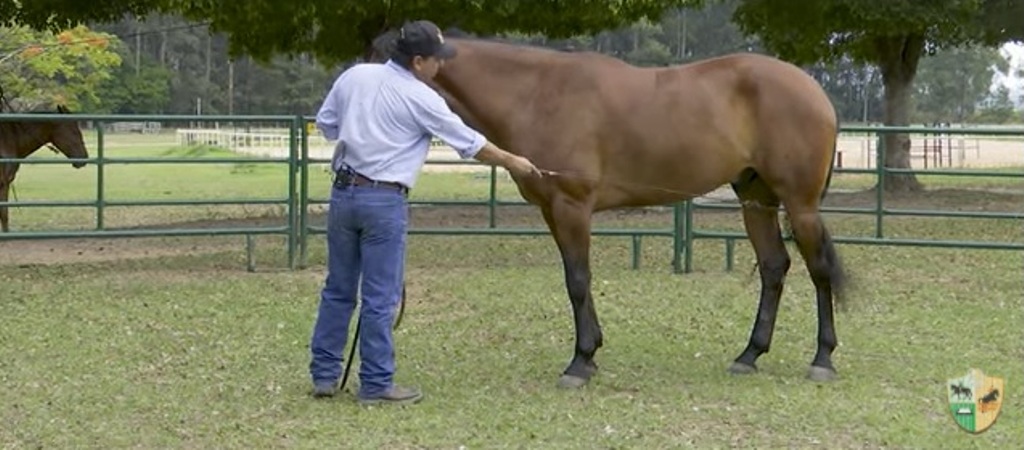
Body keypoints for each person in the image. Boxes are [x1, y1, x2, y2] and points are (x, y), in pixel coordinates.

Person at [308, 19, 543, 405]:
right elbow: (471, 144)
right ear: (418, 61)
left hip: (343, 195)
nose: (441, 66)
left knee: (338, 289)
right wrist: (514, 161)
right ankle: (376, 384)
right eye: (437, 60)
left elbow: (327, 125)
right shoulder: (422, 98)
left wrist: (363, 130)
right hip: (383, 201)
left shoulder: (354, 77)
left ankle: (324, 374)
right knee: (380, 297)